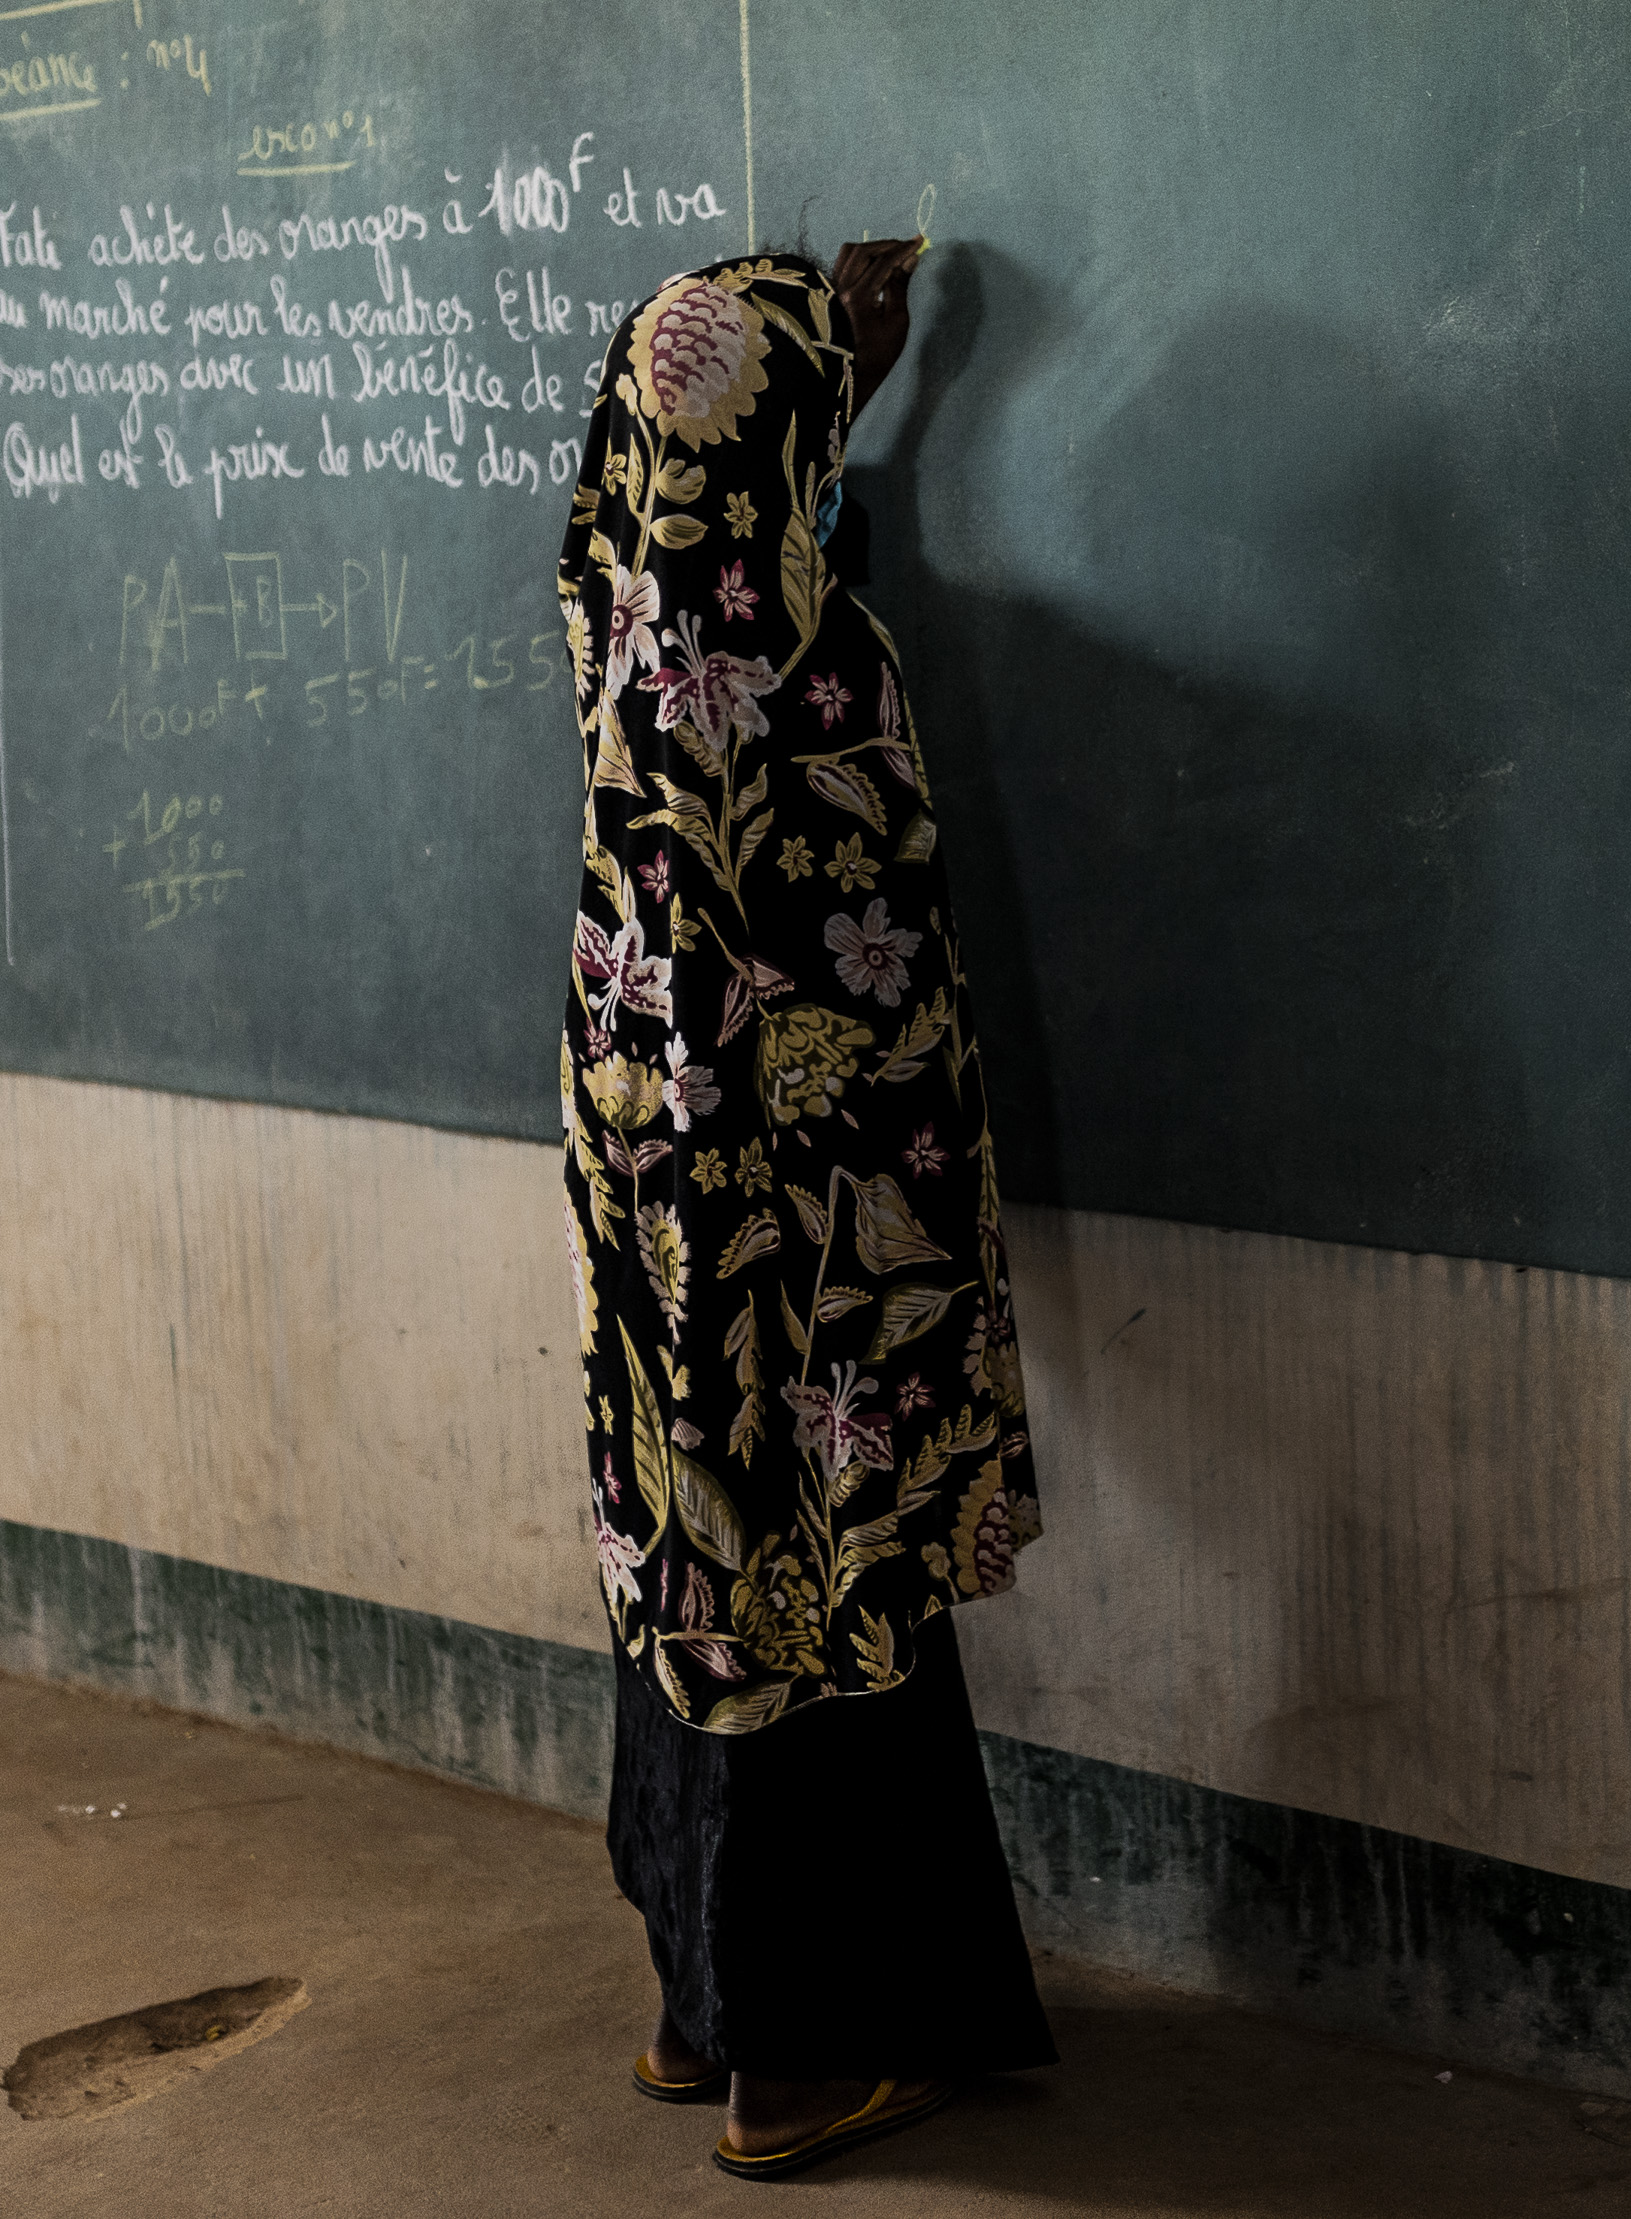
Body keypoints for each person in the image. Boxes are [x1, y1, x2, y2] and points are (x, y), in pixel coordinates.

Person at [554, 235, 1054, 2181]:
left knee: (694, 1566)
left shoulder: (623, 623)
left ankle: (700, 2005)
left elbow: (726, 476)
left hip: (662, 1223)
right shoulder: (793, 659)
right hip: (808, 1245)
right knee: (817, 1592)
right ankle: (798, 2050)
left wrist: (823, 369)